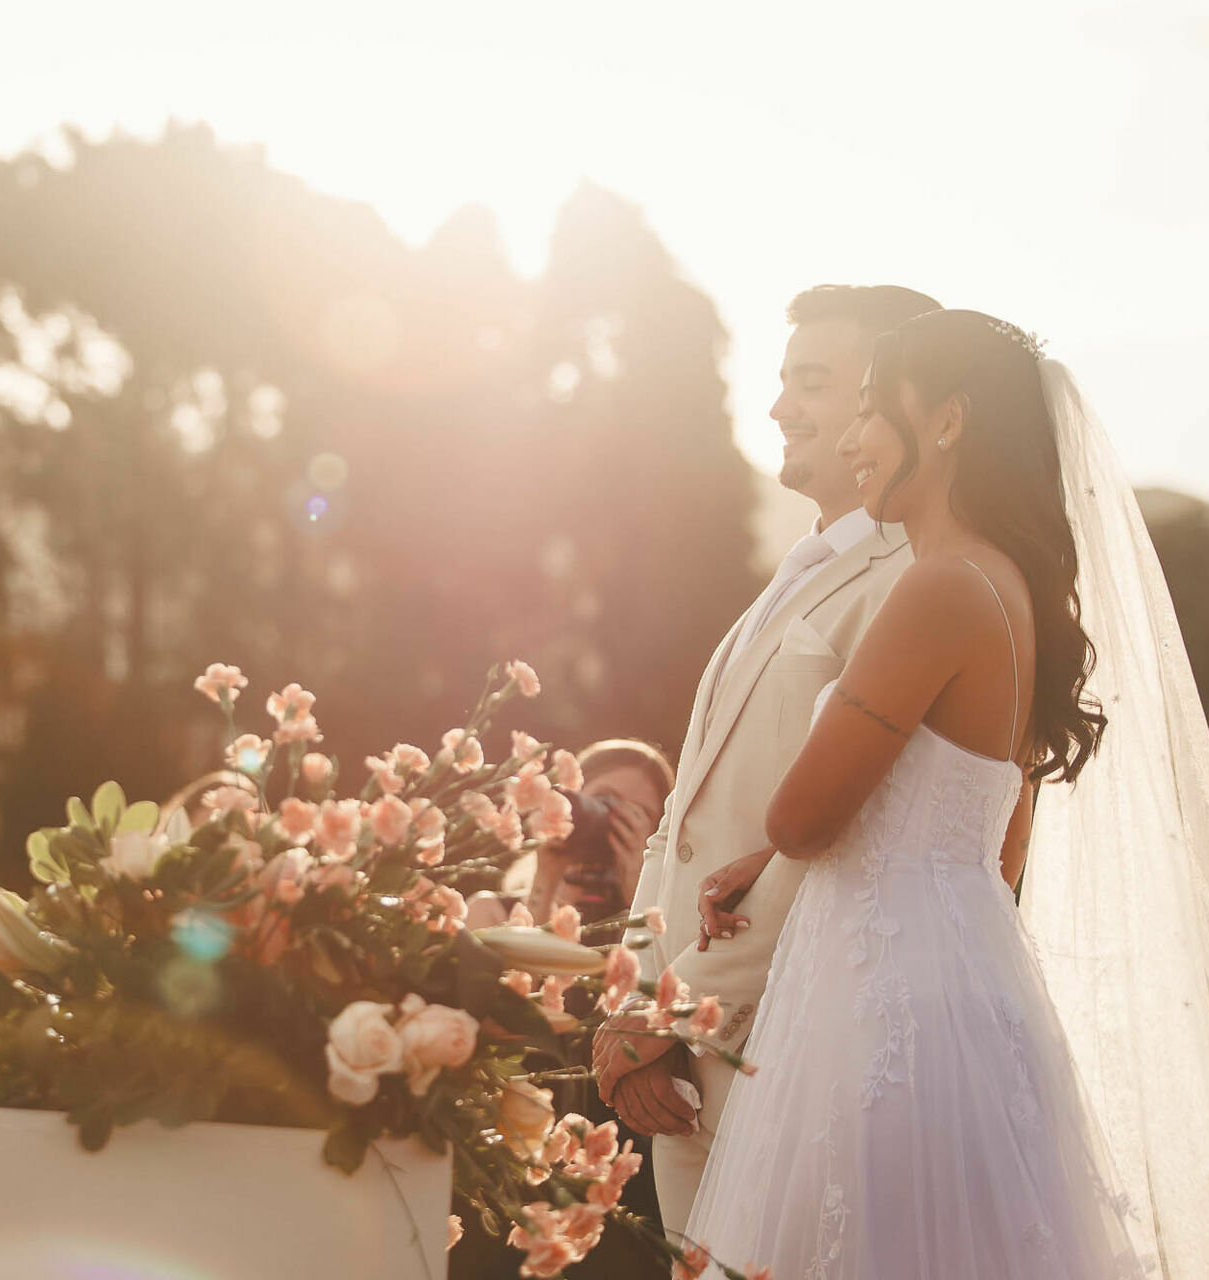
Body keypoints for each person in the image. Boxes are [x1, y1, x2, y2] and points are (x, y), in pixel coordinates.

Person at [682, 311, 1160, 1273]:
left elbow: (804, 817)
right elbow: (990, 834)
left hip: (883, 997)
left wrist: (781, 841)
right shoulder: (1008, 584)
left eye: (868, 409)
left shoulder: (937, 589)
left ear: (946, 423)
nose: (852, 440)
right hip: (956, 970)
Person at [592, 285, 941, 1235]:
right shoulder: (803, 572)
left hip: (793, 1048)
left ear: (896, 403)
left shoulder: (916, 585)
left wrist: (669, 1017)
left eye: (814, 385)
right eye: (782, 382)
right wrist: (633, 1003)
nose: (781, 408)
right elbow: (685, 820)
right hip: (682, 1063)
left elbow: (852, 836)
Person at [466, 739, 673, 929]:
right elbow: (526, 968)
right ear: (572, 797)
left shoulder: (667, 926)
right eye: (605, 800)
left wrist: (642, 896)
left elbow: (650, 966)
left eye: (639, 815)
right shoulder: (490, 912)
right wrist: (545, 882)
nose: (618, 820)